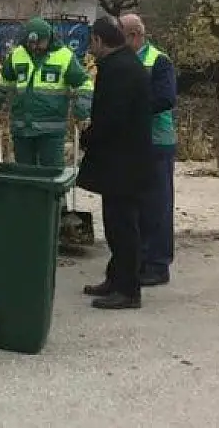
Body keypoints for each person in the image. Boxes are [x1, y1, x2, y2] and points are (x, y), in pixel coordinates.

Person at [77, 16, 155, 310]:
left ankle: (128, 290)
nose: (90, 48)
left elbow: (112, 118)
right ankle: (115, 278)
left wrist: (89, 136)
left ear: (99, 40)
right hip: (123, 161)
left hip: (124, 163)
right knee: (116, 224)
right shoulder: (123, 64)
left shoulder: (120, 70)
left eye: (91, 42)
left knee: (123, 227)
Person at [119, 13, 178, 287]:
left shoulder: (158, 60)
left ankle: (157, 264)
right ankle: (140, 260)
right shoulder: (125, 61)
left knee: (157, 206)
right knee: (137, 206)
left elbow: (165, 98)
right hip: (134, 144)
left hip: (157, 143)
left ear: (135, 35)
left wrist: (133, 109)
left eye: (121, 35)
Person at [0, 16, 93, 169]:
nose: (35, 46)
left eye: (39, 42)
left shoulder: (64, 56)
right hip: (22, 128)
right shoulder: (17, 54)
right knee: (25, 176)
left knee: (52, 176)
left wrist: (82, 110)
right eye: (31, 42)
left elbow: (84, 84)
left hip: (51, 131)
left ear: (49, 38)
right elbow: (4, 82)